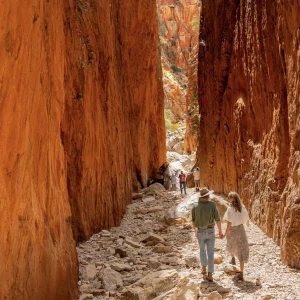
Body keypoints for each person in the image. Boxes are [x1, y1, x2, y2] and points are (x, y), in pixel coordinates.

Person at [192, 188, 223, 282]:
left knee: (202, 251)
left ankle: (204, 268)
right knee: (210, 253)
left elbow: (193, 221)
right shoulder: (212, 205)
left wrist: (195, 231)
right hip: (210, 231)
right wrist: (220, 231)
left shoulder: (195, 206)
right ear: (208, 196)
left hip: (200, 231)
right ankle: (210, 274)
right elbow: (218, 219)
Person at [222, 192, 249, 281]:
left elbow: (229, 222)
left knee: (231, 245)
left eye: (228, 198)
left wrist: (225, 232)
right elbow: (246, 219)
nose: (227, 199)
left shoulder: (230, 209)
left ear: (232, 199)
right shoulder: (242, 208)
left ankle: (232, 258)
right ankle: (241, 272)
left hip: (232, 230)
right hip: (240, 229)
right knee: (241, 249)